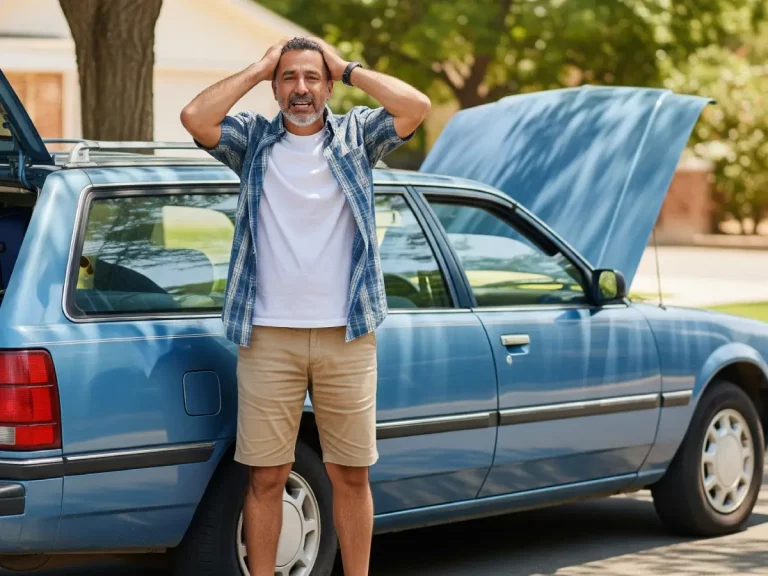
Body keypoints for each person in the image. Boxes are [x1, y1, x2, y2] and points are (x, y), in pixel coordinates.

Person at [180, 36, 430, 576]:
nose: (301, 88)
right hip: (269, 336)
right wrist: (259, 65)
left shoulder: (358, 136)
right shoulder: (252, 141)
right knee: (267, 476)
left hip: (348, 333)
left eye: (312, 78)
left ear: (328, 86)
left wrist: (347, 67)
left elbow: (416, 108)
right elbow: (195, 116)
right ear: (275, 87)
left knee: (351, 474)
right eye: (289, 78)